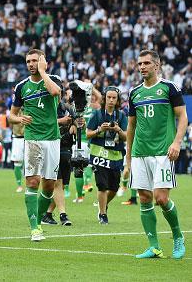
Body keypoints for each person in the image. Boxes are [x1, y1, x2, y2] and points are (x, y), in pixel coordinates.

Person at [127, 50, 187, 259]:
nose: (142, 67)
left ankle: (178, 236)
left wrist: (177, 142)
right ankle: (154, 247)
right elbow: (131, 126)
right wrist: (128, 159)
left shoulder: (169, 88)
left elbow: (183, 117)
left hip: (163, 152)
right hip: (140, 153)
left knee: (161, 199)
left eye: (146, 63)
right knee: (144, 198)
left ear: (157, 65)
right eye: (139, 64)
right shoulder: (134, 92)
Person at [9, 49, 62, 242]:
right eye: (28, 61)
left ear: (43, 62)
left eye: (34, 61)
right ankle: (34, 228)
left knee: (49, 185)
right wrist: (19, 118)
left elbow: (56, 92)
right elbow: (11, 115)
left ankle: (38, 220)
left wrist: (43, 72)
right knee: (33, 182)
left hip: (52, 138)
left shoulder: (53, 79)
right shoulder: (21, 86)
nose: (31, 64)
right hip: (32, 138)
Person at [86, 86, 127, 224]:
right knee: (102, 185)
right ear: (104, 98)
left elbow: (127, 137)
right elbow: (87, 133)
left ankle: (102, 205)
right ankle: (103, 214)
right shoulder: (97, 114)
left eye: (114, 98)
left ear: (117, 100)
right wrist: (99, 129)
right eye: (108, 97)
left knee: (114, 188)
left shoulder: (121, 116)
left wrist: (118, 129)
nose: (111, 100)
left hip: (115, 155)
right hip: (99, 154)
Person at [42, 88, 79, 226]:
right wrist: (61, 121)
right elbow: (42, 123)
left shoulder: (68, 108)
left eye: (58, 93)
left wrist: (75, 125)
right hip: (50, 146)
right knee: (55, 183)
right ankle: (63, 215)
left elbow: (79, 124)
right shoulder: (44, 107)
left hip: (65, 148)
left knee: (61, 185)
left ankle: (47, 214)